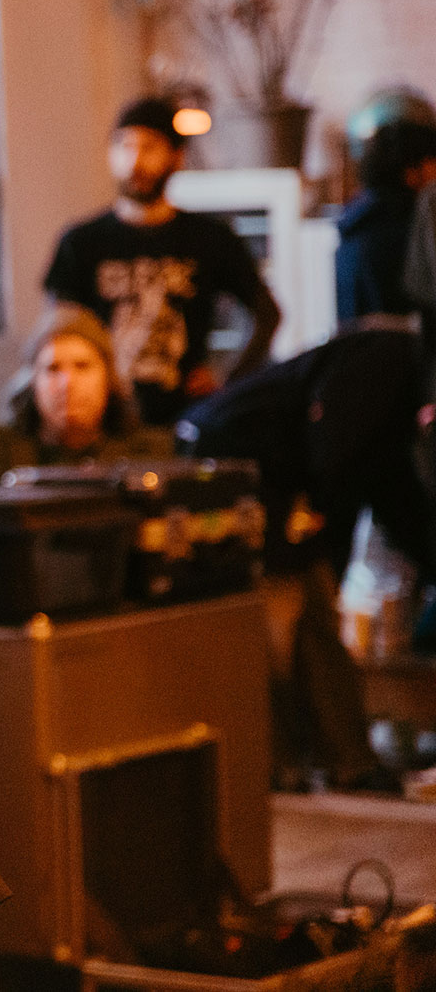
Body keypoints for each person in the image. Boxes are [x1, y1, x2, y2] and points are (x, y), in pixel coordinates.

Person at [177, 328, 436, 788]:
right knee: (283, 618)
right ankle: (285, 764)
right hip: (231, 458)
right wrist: (321, 527)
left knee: (312, 614)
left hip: (272, 470)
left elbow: (395, 495)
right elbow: (333, 444)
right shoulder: (391, 357)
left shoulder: (402, 389)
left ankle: (341, 762)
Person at [44, 96, 281, 428]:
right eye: (125, 146)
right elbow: (60, 330)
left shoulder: (209, 238)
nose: (135, 161)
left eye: (149, 147)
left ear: (176, 156)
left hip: (187, 415)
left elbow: (267, 314)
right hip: (105, 421)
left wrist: (228, 376)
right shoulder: (80, 243)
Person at [0, 304, 172, 483]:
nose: (67, 383)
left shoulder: (151, 456)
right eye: (52, 368)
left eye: (82, 366)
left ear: (109, 379)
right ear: (32, 383)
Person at [337, 116, 436, 328]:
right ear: (412, 173)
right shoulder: (402, 229)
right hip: (400, 346)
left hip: (356, 346)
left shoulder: (357, 218)